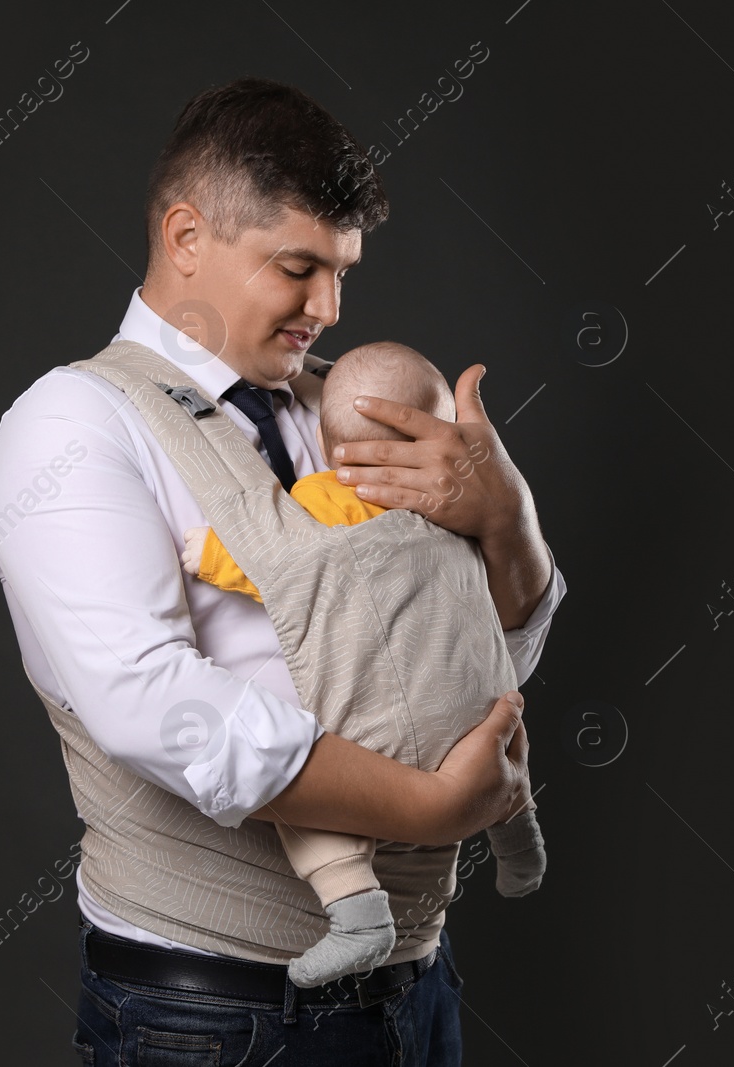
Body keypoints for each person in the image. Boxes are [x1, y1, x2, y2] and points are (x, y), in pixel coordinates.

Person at [0, 77, 566, 1064]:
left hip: (419, 993)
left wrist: (508, 522)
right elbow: (147, 698)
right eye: (298, 267)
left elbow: (474, 644)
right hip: (214, 1018)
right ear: (185, 237)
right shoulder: (72, 426)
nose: (328, 308)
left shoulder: (355, 404)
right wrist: (431, 810)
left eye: (341, 272)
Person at [181, 340, 548, 989]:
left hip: (376, 738)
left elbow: (268, 562)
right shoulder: (456, 506)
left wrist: (203, 553)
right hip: (478, 716)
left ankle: (356, 912)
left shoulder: (322, 501)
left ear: (326, 441)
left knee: (308, 800)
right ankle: (520, 849)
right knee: (508, 761)